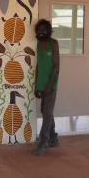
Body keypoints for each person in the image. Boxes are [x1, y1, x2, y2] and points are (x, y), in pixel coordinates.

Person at [34, 19, 60, 156]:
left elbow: (56, 67)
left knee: (47, 113)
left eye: (44, 30)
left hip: (51, 85)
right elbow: (38, 65)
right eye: (39, 30)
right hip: (41, 84)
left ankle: (43, 143)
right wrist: (36, 85)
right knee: (45, 112)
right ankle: (53, 138)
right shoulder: (38, 44)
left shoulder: (53, 44)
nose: (41, 32)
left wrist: (50, 86)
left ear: (49, 31)